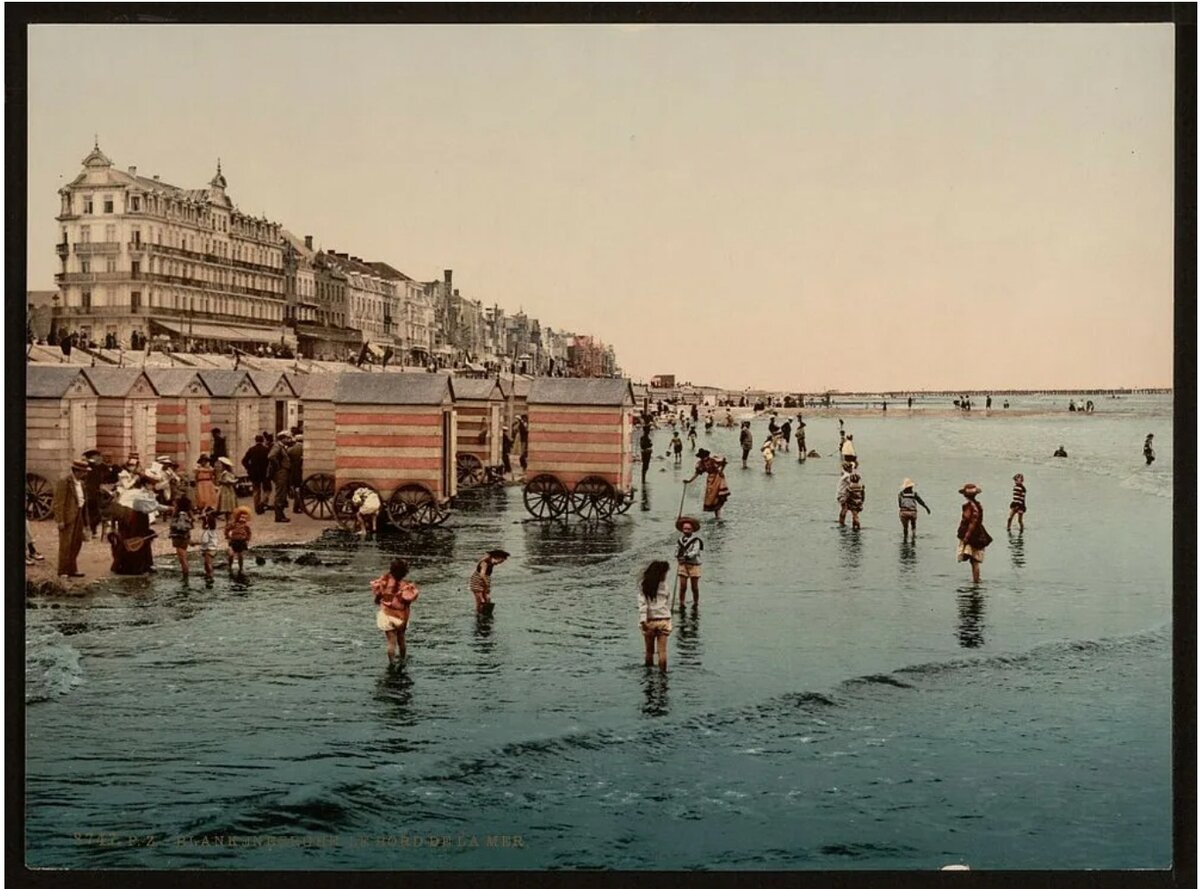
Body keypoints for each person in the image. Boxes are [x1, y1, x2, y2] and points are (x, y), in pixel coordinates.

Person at [109, 473, 160, 575]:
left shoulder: (146, 493)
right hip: (133, 518)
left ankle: (146, 564)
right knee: (137, 539)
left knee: (144, 539)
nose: (153, 487)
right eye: (151, 484)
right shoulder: (138, 493)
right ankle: (136, 566)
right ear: (146, 484)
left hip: (141, 517)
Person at [372, 558, 420, 663]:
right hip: (400, 616)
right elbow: (407, 603)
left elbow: (378, 596)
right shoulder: (405, 586)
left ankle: (392, 662)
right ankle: (403, 659)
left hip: (386, 615)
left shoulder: (384, 582)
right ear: (404, 573)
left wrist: (378, 600)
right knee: (401, 639)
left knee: (391, 642)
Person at [52, 458, 90, 578]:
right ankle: (63, 570)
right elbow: (58, 502)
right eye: (83, 472)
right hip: (68, 516)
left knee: (76, 543)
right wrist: (60, 520)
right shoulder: (65, 482)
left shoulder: (81, 483)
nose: (85, 474)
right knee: (66, 544)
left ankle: (72, 569)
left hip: (79, 514)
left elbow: (84, 502)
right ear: (77, 471)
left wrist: (86, 521)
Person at [638, 560, 673, 672]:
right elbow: (668, 603)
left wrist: (643, 620)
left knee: (649, 652)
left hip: (649, 621)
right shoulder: (665, 587)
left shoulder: (644, 586)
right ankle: (663, 675)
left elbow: (643, 605)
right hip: (664, 620)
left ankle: (648, 674)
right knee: (662, 652)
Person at [956, 483, 992, 583]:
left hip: (972, 534)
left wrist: (966, 537)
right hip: (978, 532)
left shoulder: (968, 506)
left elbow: (971, 521)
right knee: (974, 560)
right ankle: (976, 580)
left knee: (973, 560)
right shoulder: (978, 505)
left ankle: (976, 580)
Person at [684, 449, 730, 519]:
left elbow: (723, 463)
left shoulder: (713, 460)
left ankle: (718, 515)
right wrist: (689, 481)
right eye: (702, 457)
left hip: (718, 477)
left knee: (719, 495)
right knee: (712, 496)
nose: (704, 458)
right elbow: (697, 473)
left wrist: (721, 471)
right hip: (710, 479)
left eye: (704, 456)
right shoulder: (701, 463)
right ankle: (717, 515)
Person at [675, 517, 704, 608]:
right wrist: (678, 556)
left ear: (692, 530)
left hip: (694, 565)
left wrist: (686, 557)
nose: (686, 531)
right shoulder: (679, 540)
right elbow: (676, 550)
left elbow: (695, 552)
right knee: (682, 586)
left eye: (688, 529)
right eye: (684, 529)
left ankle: (695, 602)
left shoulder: (696, 541)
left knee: (694, 587)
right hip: (683, 565)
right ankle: (682, 603)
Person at [470, 549, 510, 614]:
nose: (498, 564)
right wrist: (486, 585)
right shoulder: (484, 563)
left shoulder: (490, 562)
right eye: (500, 561)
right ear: (496, 557)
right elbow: (482, 575)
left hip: (485, 580)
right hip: (477, 581)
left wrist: (487, 586)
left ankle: (484, 612)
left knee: (487, 598)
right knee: (480, 600)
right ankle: (478, 614)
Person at [241, 434, 270, 514]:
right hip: (264, 473)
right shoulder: (266, 449)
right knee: (267, 490)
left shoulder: (251, 449)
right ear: (263, 440)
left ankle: (257, 508)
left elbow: (244, 461)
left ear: (255, 440)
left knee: (256, 491)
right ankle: (262, 503)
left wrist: (249, 468)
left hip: (254, 473)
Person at [267, 432, 293, 522]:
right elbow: (271, 456)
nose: (288, 440)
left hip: (283, 472)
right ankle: (279, 516)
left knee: (282, 493)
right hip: (281, 473)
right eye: (286, 438)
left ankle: (281, 515)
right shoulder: (277, 446)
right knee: (280, 494)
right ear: (282, 439)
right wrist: (278, 467)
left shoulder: (281, 446)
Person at [82, 449, 106, 540]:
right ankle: (88, 531)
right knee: (88, 513)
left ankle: (93, 529)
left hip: (96, 493)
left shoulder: (98, 467)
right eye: (97, 456)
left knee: (96, 513)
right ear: (92, 457)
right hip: (88, 493)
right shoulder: (87, 467)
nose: (99, 458)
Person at [169, 495, 195, 578]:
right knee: (183, 558)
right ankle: (185, 575)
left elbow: (181, 527)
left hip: (180, 538)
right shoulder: (187, 513)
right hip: (184, 537)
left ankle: (185, 577)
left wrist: (174, 525)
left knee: (182, 559)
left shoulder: (181, 514)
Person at [224, 505, 253, 574]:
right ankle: (230, 566)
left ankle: (240, 568)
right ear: (238, 517)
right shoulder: (234, 524)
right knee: (231, 555)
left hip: (242, 541)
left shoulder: (246, 526)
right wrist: (228, 537)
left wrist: (247, 540)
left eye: (245, 518)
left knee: (240, 556)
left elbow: (249, 533)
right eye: (242, 517)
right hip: (233, 541)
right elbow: (227, 530)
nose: (243, 519)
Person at [198, 508, 219, 581]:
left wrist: (194, 543)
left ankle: (210, 575)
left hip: (208, 549)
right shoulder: (213, 531)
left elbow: (204, 541)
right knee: (208, 563)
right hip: (213, 549)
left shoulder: (207, 532)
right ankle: (208, 574)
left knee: (208, 563)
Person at [288, 433, 305, 514]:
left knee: (296, 489)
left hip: (293, 471)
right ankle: (297, 506)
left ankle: (297, 506)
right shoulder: (303, 448)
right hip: (300, 470)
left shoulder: (291, 449)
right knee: (299, 489)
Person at [836, 461, 854, 526]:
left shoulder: (844, 475)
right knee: (845, 508)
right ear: (848, 469)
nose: (852, 469)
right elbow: (851, 484)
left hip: (840, 494)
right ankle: (842, 522)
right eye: (851, 468)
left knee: (843, 508)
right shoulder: (847, 476)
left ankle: (840, 520)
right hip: (843, 494)